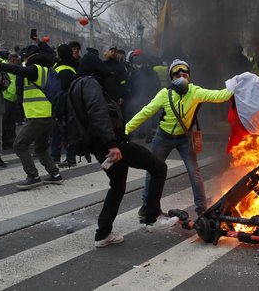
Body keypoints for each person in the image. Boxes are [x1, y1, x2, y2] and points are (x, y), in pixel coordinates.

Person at [70, 50, 179, 248]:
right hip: (113, 145)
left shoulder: (75, 85)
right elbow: (98, 112)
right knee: (158, 167)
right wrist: (112, 143)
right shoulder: (90, 84)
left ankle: (103, 234)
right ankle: (152, 217)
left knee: (117, 186)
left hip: (98, 145)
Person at [125, 60, 234, 217]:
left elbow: (219, 96)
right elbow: (146, 112)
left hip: (184, 139)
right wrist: (126, 129)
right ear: (171, 78)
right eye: (177, 73)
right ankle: (146, 206)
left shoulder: (195, 91)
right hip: (163, 138)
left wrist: (238, 84)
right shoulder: (164, 94)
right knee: (153, 170)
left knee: (194, 172)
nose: (181, 74)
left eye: (185, 72)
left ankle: (202, 210)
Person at [0, 43, 63, 190]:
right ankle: (55, 174)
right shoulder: (47, 70)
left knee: (19, 145)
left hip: (39, 116)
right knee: (41, 148)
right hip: (48, 116)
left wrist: (0, 66)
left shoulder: (36, 69)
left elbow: (18, 70)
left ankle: (33, 176)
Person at [51, 44, 79, 167]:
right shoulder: (72, 64)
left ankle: (67, 157)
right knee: (66, 130)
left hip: (63, 103)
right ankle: (62, 156)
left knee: (61, 130)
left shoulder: (63, 68)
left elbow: (62, 88)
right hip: (70, 103)